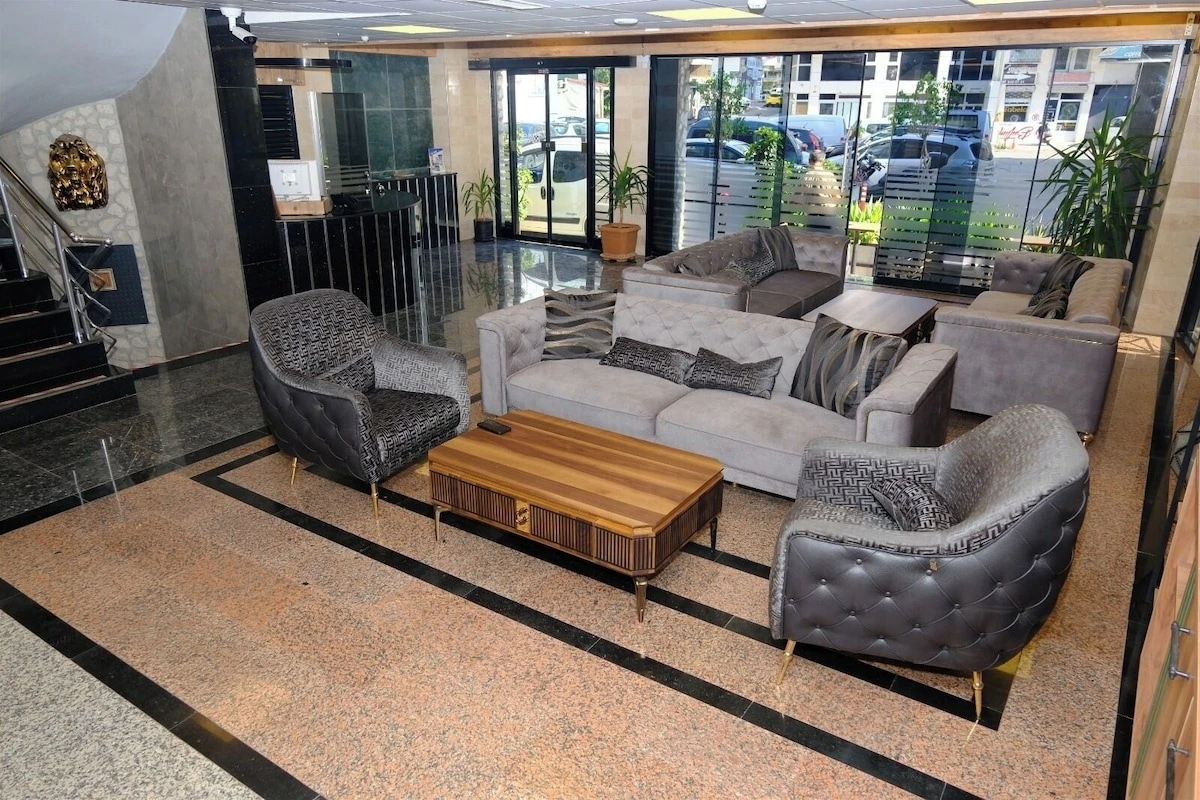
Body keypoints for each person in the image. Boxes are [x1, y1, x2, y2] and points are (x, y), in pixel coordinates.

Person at [794, 150, 843, 232]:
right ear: (823, 161)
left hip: (812, 216)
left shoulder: (806, 176)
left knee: (813, 239)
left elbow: (796, 199)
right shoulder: (830, 176)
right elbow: (837, 198)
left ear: (810, 161)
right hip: (828, 214)